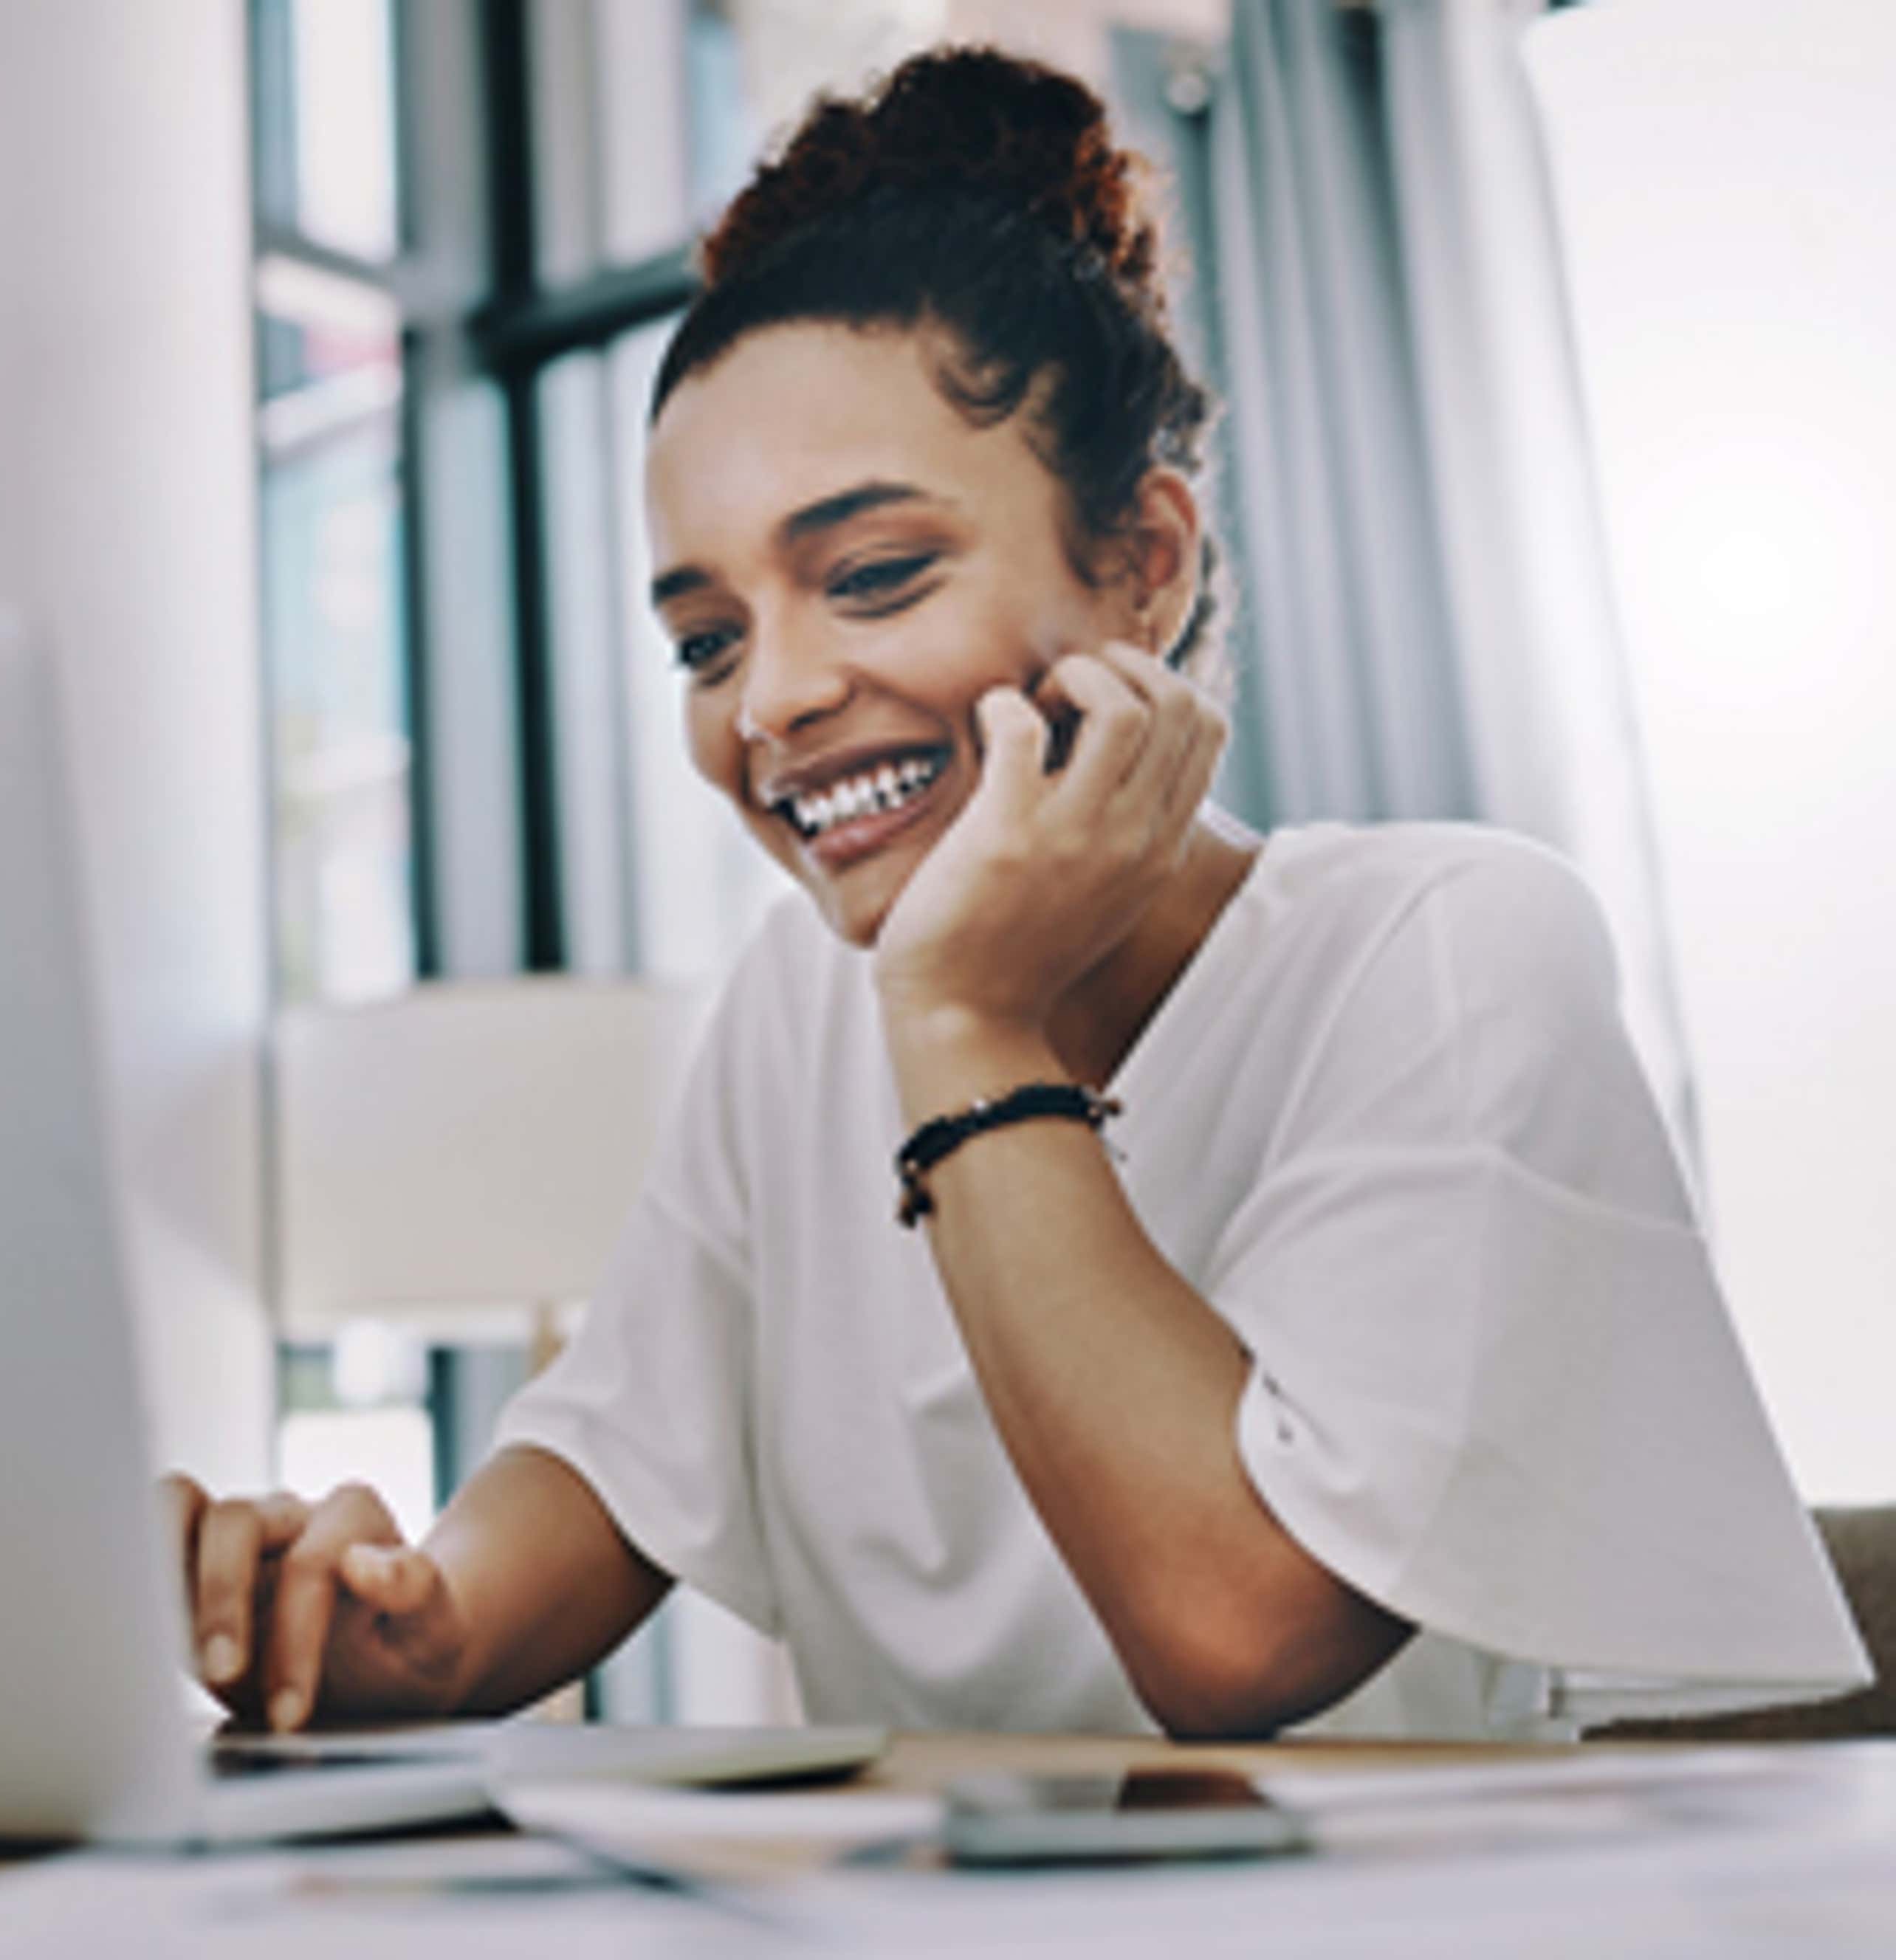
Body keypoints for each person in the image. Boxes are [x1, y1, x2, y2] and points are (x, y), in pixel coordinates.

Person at [162, 44, 1868, 1741]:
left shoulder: (1445, 950)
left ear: (1142, 566)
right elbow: (596, 1470)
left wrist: (966, 1015)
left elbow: (1236, 1630)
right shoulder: (792, 1010)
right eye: (706, 637)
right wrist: (382, 1622)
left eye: (875, 575)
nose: (768, 704)